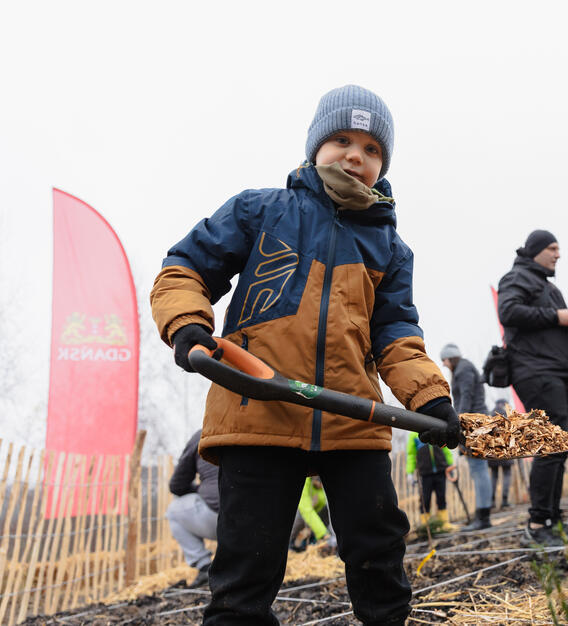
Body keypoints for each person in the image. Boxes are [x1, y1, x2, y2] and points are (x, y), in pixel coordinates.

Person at [150, 85, 460, 625]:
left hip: (352, 416)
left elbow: (397, 334)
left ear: (382, 164)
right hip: (258, 408)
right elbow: (185, 270)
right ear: (316, 145)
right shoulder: (261, 210)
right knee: (247, 563)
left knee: (378, 549)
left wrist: (429, 397)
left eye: (371, 148)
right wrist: (188, 326)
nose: (354, 155)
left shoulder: (389, 247)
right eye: (342, 140)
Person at [497, 230, 568, 545]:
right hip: (535, 371)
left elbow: (551, 323)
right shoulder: (516, 278)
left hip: (557, 372)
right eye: (552, 248)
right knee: (550, 446)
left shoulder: (548, 287)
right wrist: (556, 316)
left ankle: (553, 520)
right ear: (534, 251)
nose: (557, 254)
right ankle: (537, 526)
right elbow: (508, 311)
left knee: (560, 448)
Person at [440, 343, 492, 531]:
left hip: (474, 424)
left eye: (444, 360)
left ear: (450, 358)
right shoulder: (464, 368)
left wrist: (459, 421)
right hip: (475, 421)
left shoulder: (463, 370)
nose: (444, 365)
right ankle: (482, 514)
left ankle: (483, 516)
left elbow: (466, 397)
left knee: (479, 469)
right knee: (478, 469)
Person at [167, 429, 219, 588]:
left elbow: (177, 485)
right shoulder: (258, 429)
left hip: (220, 516)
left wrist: (201, 489)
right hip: (262, 518)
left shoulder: (203, 435)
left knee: (174, 510)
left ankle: (204, 567)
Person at [406, 431, 456, 530]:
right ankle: (426, 526)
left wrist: (450, 465)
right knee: (425, 499)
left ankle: (444, 524)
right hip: (425, 473)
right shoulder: (413, 435)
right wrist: (410, 472)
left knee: (441, 497)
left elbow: (445, 449)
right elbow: (411, 455)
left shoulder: (435, 429)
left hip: (441, 470)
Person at [289, 477, 336, 553]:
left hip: (319, 514)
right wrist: (323, 534)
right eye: (317, 481)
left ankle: (325, 543)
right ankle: (291, 544)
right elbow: (306, 509)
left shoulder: (322, 489)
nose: (319, 484)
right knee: (298, 521)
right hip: (305, 513)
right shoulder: (306, 483)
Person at [487, 399, 514, 510]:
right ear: (504, 404)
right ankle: (504, 501)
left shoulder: (490, 416)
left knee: (494, 476)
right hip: (505, 451)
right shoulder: (507, 415)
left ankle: (492, 502)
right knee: (507, 475)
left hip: (493, 452)